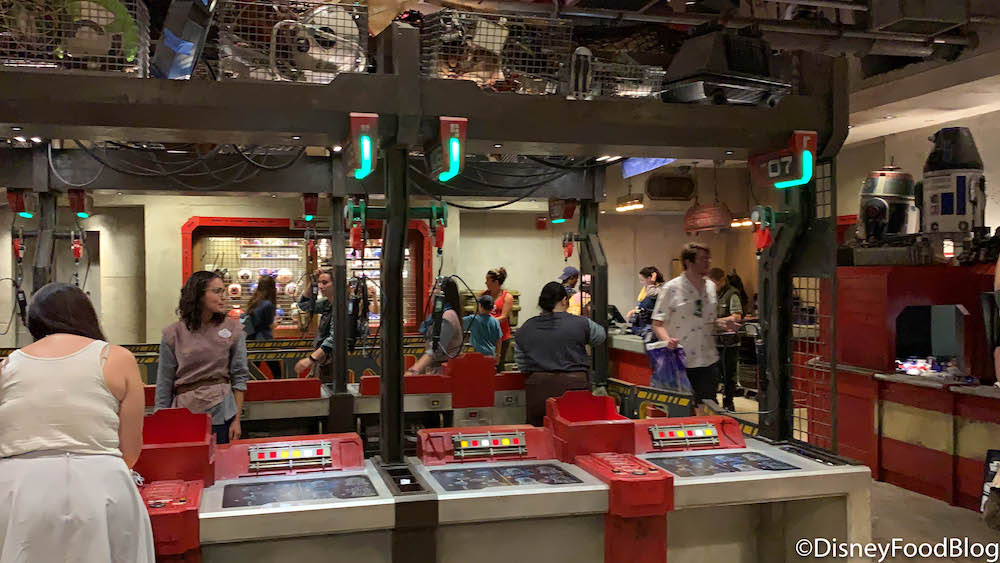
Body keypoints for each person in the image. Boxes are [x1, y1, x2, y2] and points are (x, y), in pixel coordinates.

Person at [0, 283, 154, 562]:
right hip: (100, 485)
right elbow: (130, 452)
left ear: (34, 321)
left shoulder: (8, 366)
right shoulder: (116, 358)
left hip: (19, 490)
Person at [156, 271, 249, 445]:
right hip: (184, 411)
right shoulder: (173, 333)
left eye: (223, 291)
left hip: (221, 410)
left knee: (220, 459)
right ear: (198, 294)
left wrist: (237, 420)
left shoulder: (233, 330)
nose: (223, 297)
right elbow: (164, 381)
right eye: (217, 291)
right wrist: (162, 418)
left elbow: (240, 376)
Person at [651, 243, 740, 413]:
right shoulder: (671, 288)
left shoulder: (711, 287)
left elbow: (708, 321)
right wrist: (667, 340)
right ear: (688, 262)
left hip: (707, 358)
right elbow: (657, 323)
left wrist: (724, 324)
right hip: (680, 359)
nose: (708, 262)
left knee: (706, 408)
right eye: (703, 259)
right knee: (681, 410)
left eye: (709, 258)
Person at [515, 281, 607, 426]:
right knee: (576, 431)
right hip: (575, 390)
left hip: (539, 391)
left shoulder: (525, 328)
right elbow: (600, 336)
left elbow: (522, 363)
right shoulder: (582, 323)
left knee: (539, 432)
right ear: (564, 300)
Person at [409, 277, 464, 374]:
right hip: (436, 369)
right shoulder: (437, 315)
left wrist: (413, 370)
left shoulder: (448, 316)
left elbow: (436, 348)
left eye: (434, 288)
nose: (429, 291)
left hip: (446, 371)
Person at [709, 268, 744, 411]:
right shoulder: (709, 294)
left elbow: (737, 316)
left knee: (729, 374)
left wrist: (718, 321)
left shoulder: (732, 294)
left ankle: (729, 402)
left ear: (722, 280)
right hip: (713, 341)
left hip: (729, 342)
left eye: (715, 284)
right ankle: (713, 403)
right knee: (713, 374)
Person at [294, 269, 335, 377]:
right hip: (323, 359)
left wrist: (311, 359)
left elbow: (334, 338)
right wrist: (312, 282)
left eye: (325, 283)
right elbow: (303, 305)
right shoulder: (327, 304)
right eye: (319, 283)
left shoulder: (342, 306)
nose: (321, 286)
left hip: (334, 360)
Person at [244, 275, 280, 376]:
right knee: (276, 371)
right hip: (264, 340)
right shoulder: (268, 304)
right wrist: (273, 324)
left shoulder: (254, 301)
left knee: (253, 370)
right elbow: (268, 323)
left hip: (252, 339)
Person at [483, 267, 514, 368]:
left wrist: (487, 321)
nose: (485, 283)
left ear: (495, 282)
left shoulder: (507, 297)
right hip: (486, 336)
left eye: (487, 280)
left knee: (498, 365)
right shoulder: (484, 295)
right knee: (485, 365)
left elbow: (504, 317)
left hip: (501, 336)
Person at [627, 266, 664, 332]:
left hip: (650, 323)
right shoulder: (645, 289)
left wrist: (651, 283)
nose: (641, 282)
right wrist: (635, 310)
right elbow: (642, 303)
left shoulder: (660, 289)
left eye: (642, 280)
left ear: (649, 279)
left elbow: (652, 294)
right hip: (641, 322)